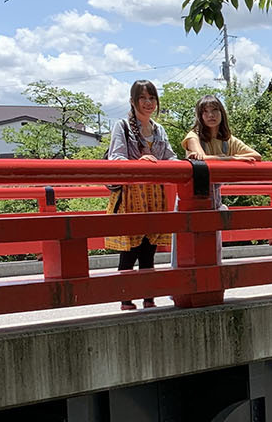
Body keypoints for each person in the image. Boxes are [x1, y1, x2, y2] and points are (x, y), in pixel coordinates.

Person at [105, 79, 176, 311]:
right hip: (131, 193)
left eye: (152, 98)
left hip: (154, 193)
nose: (148, 103)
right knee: (129, 249)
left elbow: (169, 157)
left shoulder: (159, 129)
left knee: (149, 247)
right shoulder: (122, 126)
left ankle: (148, 296)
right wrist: (139, 162)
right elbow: (116, 158)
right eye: (143, 98)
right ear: (133, 101)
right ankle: (126, 298)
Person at [182, 95, 262, 208]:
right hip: (191, 201)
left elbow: (257, 156)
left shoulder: (228, 140)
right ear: (200, 116)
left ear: (222, 113)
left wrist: (231, 158)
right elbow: (202, 158)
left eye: (215, 110)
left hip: (215, 200)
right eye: (205, 111)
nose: (211, 115)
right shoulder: (193, 136)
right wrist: (233, 159)